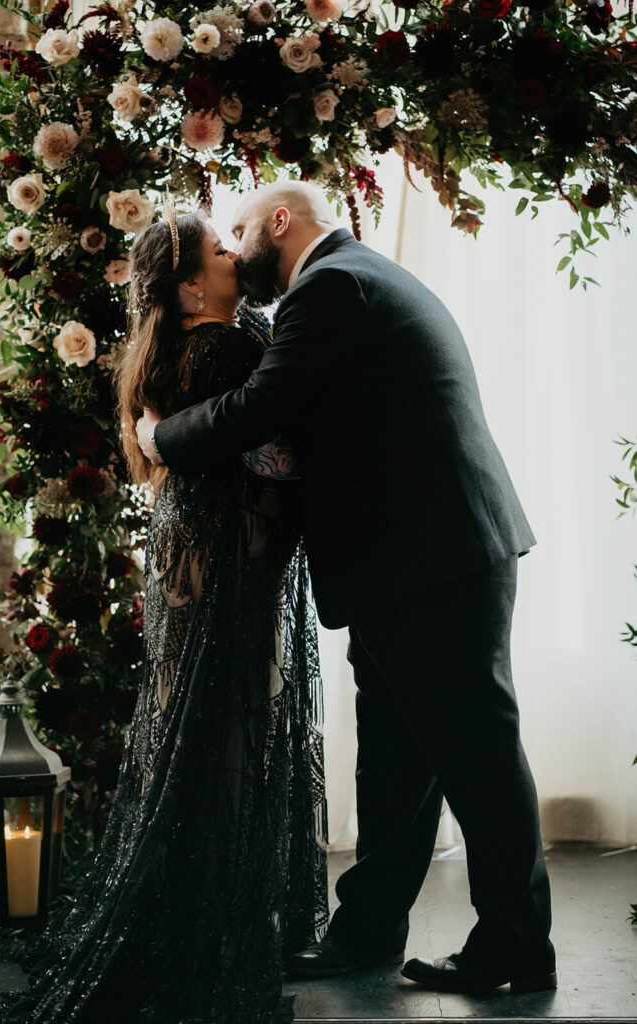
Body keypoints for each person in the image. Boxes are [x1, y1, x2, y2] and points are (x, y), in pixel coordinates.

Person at [136, 181, 557, 996]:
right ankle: (365, 932)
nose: (234, 243)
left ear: (279, 224)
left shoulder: (330, 284)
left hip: (432, 557)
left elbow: (259, 407)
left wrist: (160, 437)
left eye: (241, 229)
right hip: (411, 559)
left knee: (474, 752)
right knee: (397, 758)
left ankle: (515, 945)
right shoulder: (355, 277)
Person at [0, 210, 327, 1024]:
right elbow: (272, 453)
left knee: (197, 737)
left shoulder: (195, 344)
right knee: (226, 740)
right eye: (221, 252)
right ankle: (212, 935)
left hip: (197, 553)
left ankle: (201, 923)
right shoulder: (223, 345)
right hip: (227, 554)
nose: (237, 256)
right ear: (193, 286)